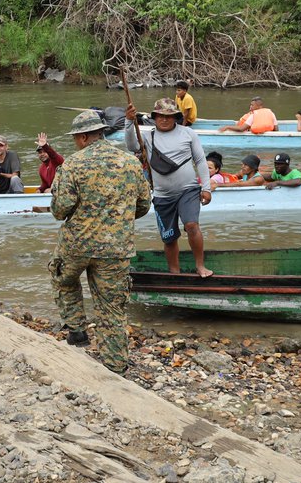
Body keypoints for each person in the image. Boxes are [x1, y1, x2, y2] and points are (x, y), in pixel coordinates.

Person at [49, 110, 151, 373]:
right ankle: (116, 365)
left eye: (75, 138)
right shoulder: (130, 163)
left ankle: (77, 330)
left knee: (64, 279)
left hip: (77, 245)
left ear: (83, 137)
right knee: (111, 306)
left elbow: (61, 209)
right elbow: (143, 205)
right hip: (117, 247)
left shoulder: (72, 165)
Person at [125, 98, 213, 277]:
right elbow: (131, 146)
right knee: (169, 237)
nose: (164, 120)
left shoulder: (188, 133)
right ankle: (175, 272)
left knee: (191, 225)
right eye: (160, 116)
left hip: (188, 190)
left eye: (169, 116)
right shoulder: (148, 137)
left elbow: (200, 161)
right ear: (155, 117)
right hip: (162, 195)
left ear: (176, 117)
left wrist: (207, 187)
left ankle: (200, 266)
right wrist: (128, 121)